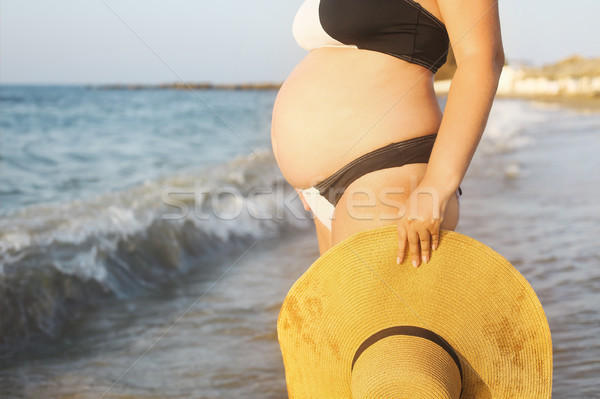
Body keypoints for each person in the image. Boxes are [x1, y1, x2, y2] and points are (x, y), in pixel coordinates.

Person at [271, 0, 504, 266]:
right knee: (346, 309)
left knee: (386, 308)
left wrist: (437, 186)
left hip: (390, 172)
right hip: (330, 188)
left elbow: (483, 59)